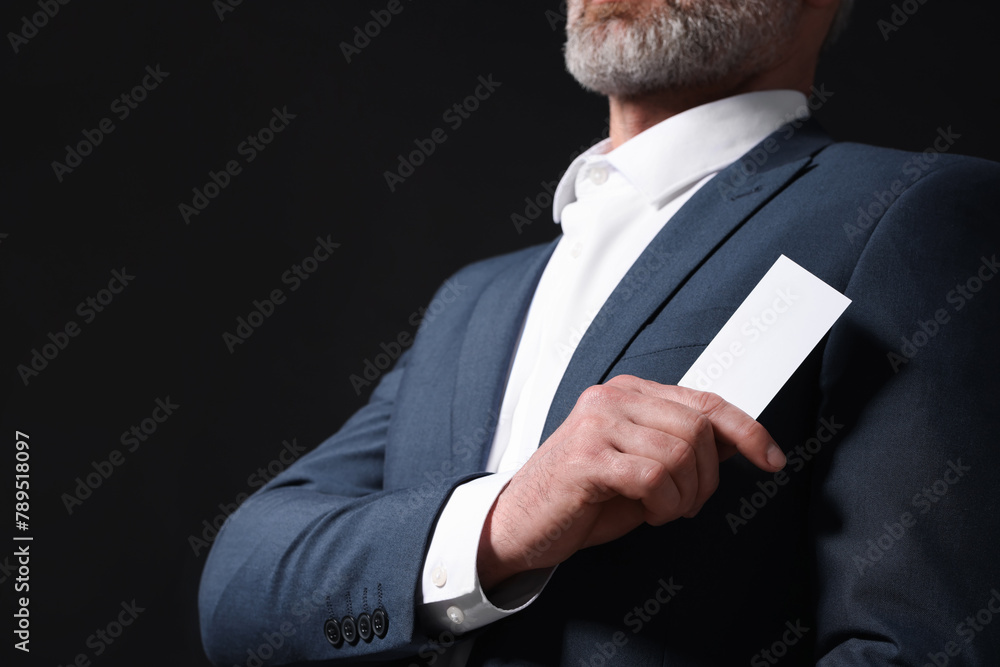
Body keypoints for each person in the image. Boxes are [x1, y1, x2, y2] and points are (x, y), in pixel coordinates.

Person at [199, 0, 1000, 664]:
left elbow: (925, 646)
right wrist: (507, 519)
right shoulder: (470, 302)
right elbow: (240, 591)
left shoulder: (915, 212)